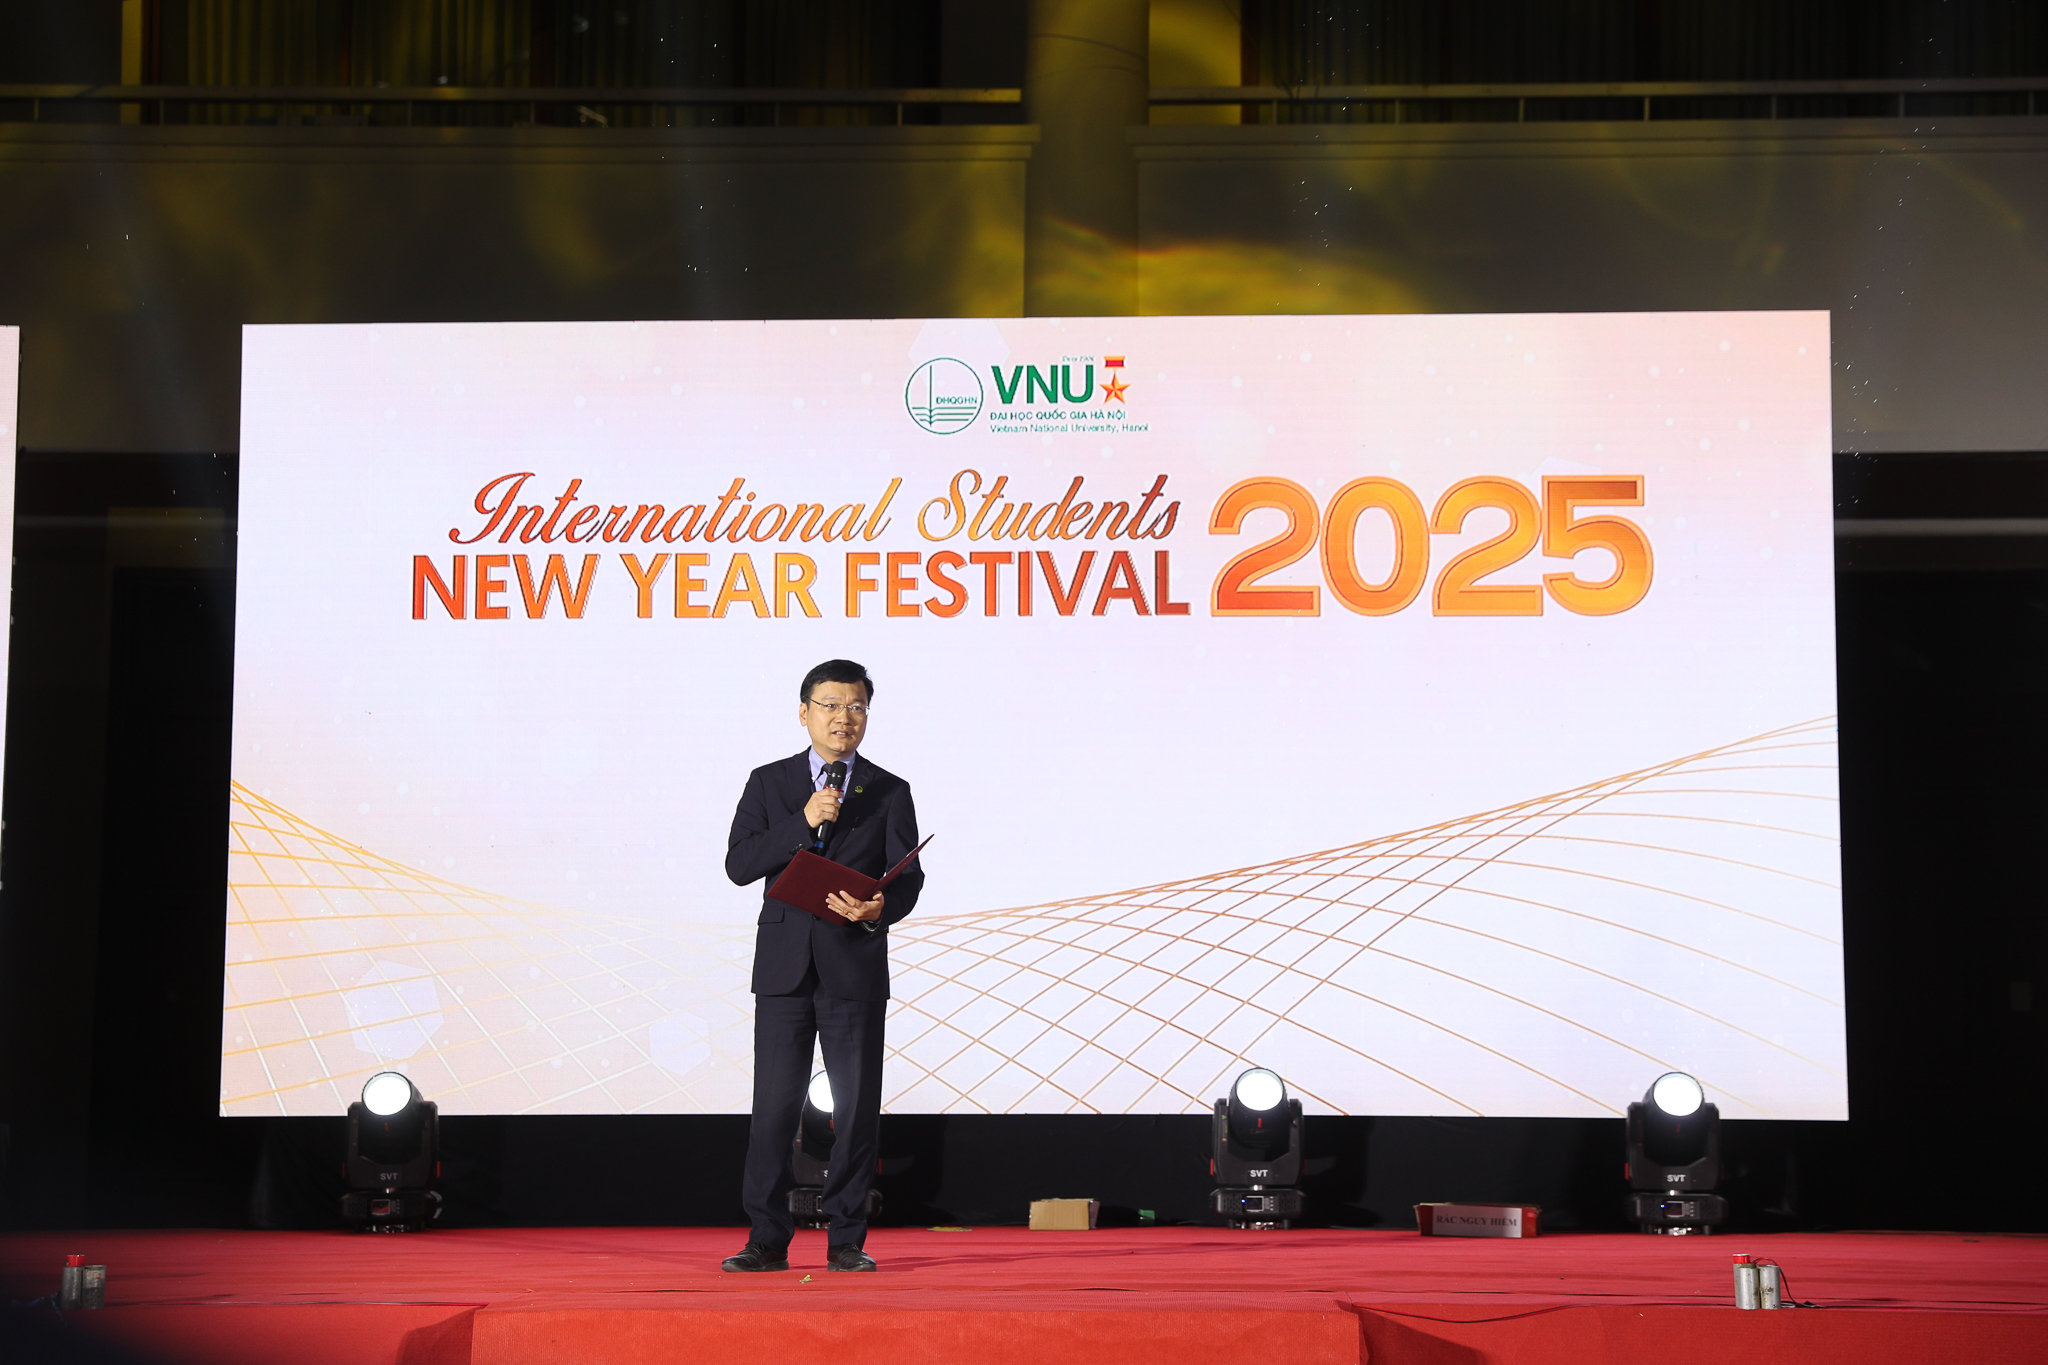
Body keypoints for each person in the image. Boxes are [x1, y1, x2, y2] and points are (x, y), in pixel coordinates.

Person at [720, 658, 924, 1273]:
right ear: (804, 712)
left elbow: (908, 878)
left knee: (856, 1108)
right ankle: (766, 1239)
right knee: (773, 1108)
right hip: (783, 969)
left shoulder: (890, 790)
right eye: (831, 705)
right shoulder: (769, 782)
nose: (844, 718)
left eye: (856, 706)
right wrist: (802, 822)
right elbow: (739, 865)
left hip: (853, 964)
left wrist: (881, 906)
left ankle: (846, 1240)